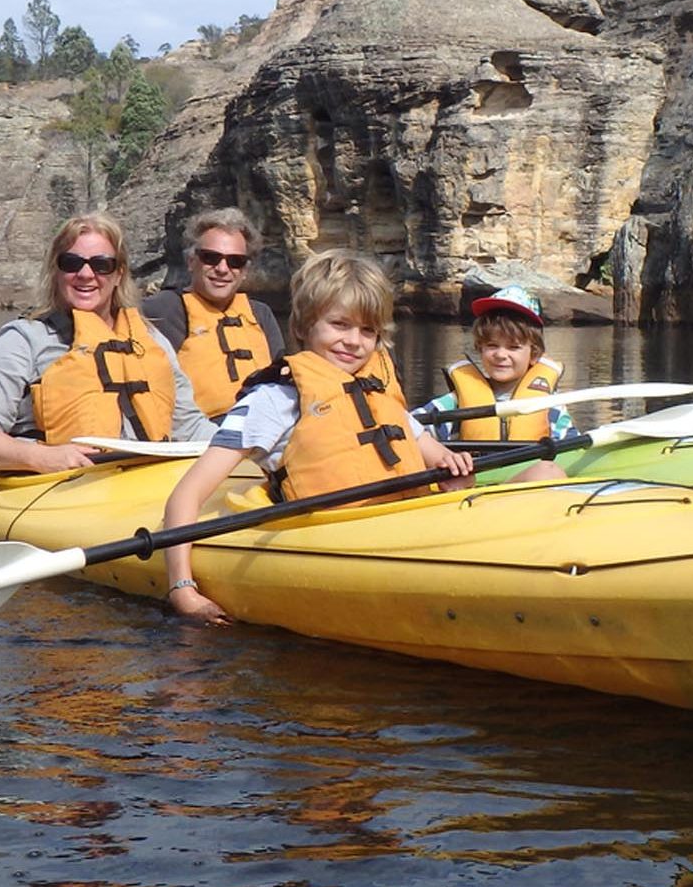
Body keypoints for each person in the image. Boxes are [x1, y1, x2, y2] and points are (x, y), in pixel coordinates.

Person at [159, 249, 475, 623]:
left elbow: (438, 458)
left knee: (543, 475)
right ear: (304, 326)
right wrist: (183, 589)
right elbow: (187, 494)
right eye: (340, 325)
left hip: (407, 526)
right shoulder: (274, 401)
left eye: (368, 330)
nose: (354, 342)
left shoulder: (377, 392)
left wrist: (455, 472)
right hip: (332, 541)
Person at [0, 212, 216, 473]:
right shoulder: (24, 340)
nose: (86, 274)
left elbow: (190, 426)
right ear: (56, 270)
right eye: (71, 262)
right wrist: (38, 457)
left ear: (118, 274)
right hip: (62, 484)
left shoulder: (151, 340)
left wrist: (248, 445)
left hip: (146, 480)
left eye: (101, 265)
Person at [140, 207, 286, 419]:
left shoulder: (260, 314)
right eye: (211, 257)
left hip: (263, 428)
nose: (222, 269)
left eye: (235, 261)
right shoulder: (162, 310)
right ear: (191, 262)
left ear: (244, 271)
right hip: (196, 435)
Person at [420, 284, 573, 482]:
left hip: (524, 488)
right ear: (480, 348)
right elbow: (412, 429)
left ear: (534, 354)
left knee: (548, 471)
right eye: (492, 345)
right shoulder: (454, 403)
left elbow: (572, 450)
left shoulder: (550, 407)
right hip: (469, 490)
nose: (501, 355)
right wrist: (446, 458)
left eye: (513, 347)